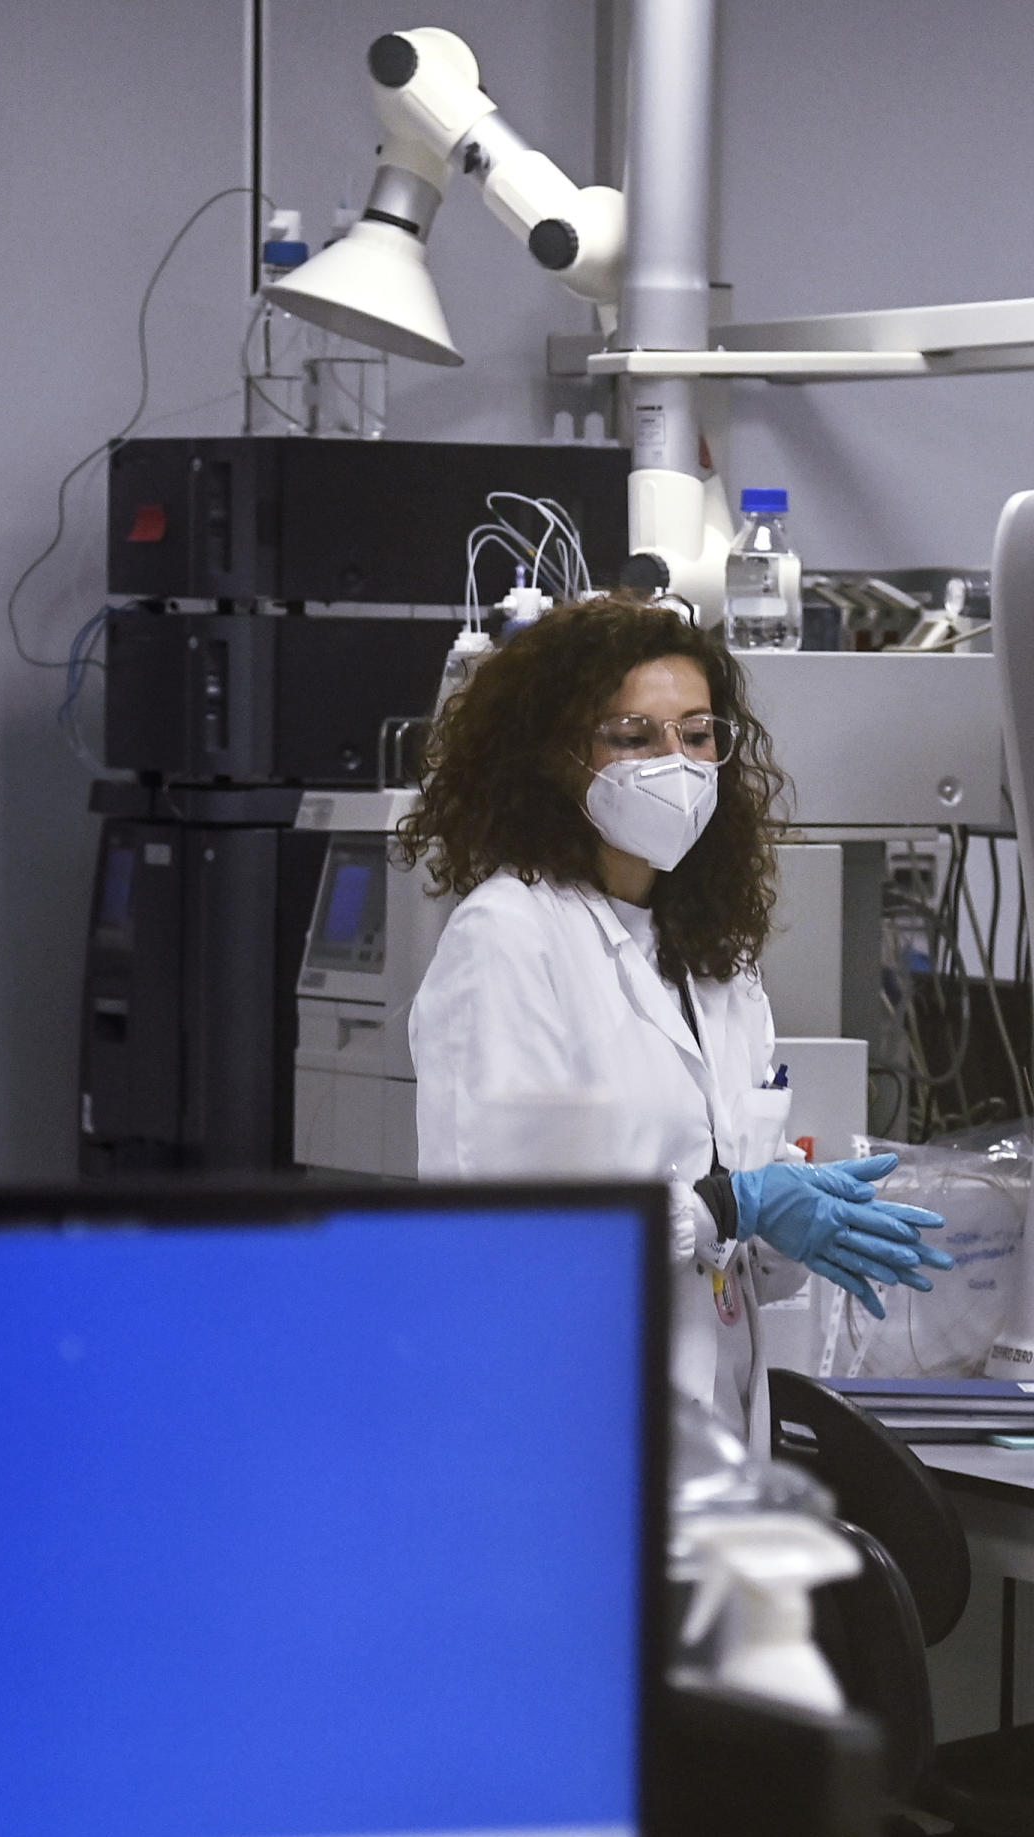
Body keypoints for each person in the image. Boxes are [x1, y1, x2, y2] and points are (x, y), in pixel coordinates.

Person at [400, 596, 952, 1439]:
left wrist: (788, 1224)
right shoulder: (509, 937)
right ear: (556, 757)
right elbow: (510, 1238)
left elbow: (733, 1256)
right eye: (634, 735)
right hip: (560, 1433)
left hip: (711, 1434)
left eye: (697, 735)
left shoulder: (711, 958)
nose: (677, 762)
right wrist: (729, 1205)